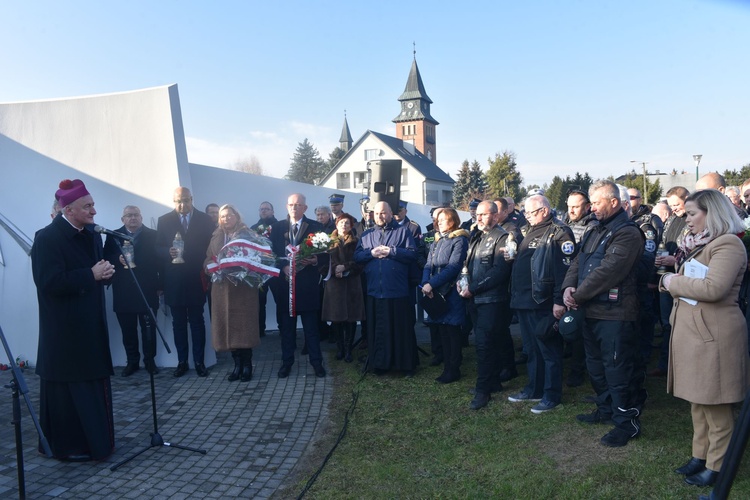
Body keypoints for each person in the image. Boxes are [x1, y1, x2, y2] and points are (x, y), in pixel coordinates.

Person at [659, 189, 749, 487]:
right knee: (698, 400)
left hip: (716, 335)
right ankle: (701, 456)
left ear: (713, 212)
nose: (687, 221)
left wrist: (672, 281)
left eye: (692, 214)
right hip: (698, 334)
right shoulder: (704, 243)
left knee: (716, 403)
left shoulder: (728, 245)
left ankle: (719, 465)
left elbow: (714, 289)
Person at [31, 178, 116, 461]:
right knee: (70, 392)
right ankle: (71, 448)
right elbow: (48, 282)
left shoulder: (91, 234)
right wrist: (90, 275)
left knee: (92, 383)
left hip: (91, 325)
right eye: (87, 206)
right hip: (65, 332)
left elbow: (94, 272)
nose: (94, 211)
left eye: (92, 205)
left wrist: (104, 273)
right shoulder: (47, 238)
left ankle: (97, 443)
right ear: (68, 210)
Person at [563, 180, 644, 447]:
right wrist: (568, 287)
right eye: (592, 202)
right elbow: (578, 261)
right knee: (596, 367)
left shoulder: (627, 232)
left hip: (616, 313)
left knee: (617, 369)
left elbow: (610, 270)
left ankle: (626, 423)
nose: (593, 207)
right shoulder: (594, 228)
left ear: (613, 202)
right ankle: (606, 408)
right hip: (591, 311)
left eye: (597, 202)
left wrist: (578, 295)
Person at [508, 195, 576, 414]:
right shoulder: (530, 230)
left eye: (530, 212)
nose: (526, 216)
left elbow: (563, 270)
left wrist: (559, 301)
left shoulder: (559, 232)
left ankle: (551, 394)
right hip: (525, 301)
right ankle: (533, 389)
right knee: (531, 349)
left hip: (543, 301)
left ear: (544, 211)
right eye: (525, 213)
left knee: (549, 350)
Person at [459, 201, 514, 410]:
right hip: (475, 299)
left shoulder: (502, 237)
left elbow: (499, 272)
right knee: (487, 344)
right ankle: (493, 382)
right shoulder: (477, 235)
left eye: (483, 214)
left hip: (493, 300)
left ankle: (483, 391)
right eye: (477, 215)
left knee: (484, 344)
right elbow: (467, 265)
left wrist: (473, 287)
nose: (478, 218)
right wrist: (461, 282)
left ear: (495, 215)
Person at [156, 187, 215, 377]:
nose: (182, 205)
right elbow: (157, 248)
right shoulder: (164, 220)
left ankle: (199, 361)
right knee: (178, 324)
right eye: (178, 201)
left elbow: (212, 247)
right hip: (174, 280)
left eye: (186, 200)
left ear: (192, 199)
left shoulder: (205, 220)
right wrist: (167, 252)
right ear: (174, 201)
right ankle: (182, 362)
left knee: (198, 322)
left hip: (197, 279)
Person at [355, 201, 418, 376]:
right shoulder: (367, 235)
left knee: (401, 330)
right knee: (379, 330)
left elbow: (412, 254)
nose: (380, 216)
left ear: (391, 213)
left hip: (397, 290)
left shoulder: (403, 232)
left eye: (383, 213)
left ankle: (404, 366)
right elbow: (357, 256)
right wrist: (371, 253)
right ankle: (380, 364)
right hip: (375, 290)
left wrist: (392, 251)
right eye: (377, 213)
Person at [268, 193, 327, 378]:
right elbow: (270, 254)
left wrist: (316, 259)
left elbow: (326, 253)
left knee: (311, 329)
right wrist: (283, 267)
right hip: (285, 287)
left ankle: (317, 363)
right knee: (287, 329)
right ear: (287, 207)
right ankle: (287, 363)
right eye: (292, 205)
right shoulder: (277, 228)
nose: (294, 208)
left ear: (305, 208)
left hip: (308, 286)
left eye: (298, 205)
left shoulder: (316, 227)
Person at [204, 205, 261, 382]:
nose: (226, 219)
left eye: (229, 215)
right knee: (228, 328)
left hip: (243, 290)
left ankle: (247, 366)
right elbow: (207, 257)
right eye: (223, 216)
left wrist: (242, 266)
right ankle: (236, 365)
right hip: (222, 289)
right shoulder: (215, 235)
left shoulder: (248, 234)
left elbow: (257, 257)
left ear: (236, 216)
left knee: (243, 328)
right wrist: (209, 267)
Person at [103, 205, 160, 376]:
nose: (133, 218)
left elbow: (159, 263)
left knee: (148, 329)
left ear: (141, 217)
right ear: (123, 219)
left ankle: (150, 361)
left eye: (136, 215)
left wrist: (160, 286)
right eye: (129, 215)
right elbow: (105, 257)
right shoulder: (113, 236)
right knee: (128, 330)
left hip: (147, 289)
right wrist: (117, 259)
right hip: (123, 290)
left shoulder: (153, 235)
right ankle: (132, 362)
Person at [421, 208, 469, 384]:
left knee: (452, 331)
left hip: (451, 292)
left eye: (443, 219)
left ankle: (453, 369)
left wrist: (431, 284)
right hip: (435, 291)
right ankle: (447, 366)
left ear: (453, 221)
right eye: (437, 219)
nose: (439, 222)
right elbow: (428, 265)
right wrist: (425, 284)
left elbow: (454, 267)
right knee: (441, 330)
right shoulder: (436, 241)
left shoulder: (460, 240)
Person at [651, 186, 690, 377]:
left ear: (687, 199)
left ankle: (680, 366)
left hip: (683, 281)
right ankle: (665, 364)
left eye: (677, 204)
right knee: (667, 324)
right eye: (671, 205)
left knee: (680, 325)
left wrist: (675, 261)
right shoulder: (672, 220)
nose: (674, 208)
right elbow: (664, 242)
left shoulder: (693, 221)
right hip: (665, 280)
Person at [321, 212, 365, 362]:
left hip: (352, 284)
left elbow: (360, 262)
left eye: (347, 223)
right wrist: (335, 269)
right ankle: (339, 348)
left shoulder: (357, 241)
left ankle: (348, 350)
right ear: (336, 224)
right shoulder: (326, 241)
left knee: (351, 319)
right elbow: (322, 263)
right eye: (341, 223)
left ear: (351, 226)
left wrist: (344, 268)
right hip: (334, 285)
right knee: (336, 318)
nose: (344, 225)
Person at [251, 201, 278, 337]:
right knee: (259, 301)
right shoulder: (253, 228)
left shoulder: (280, 226)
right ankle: (259, 330)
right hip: (259, 271)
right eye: (262, 209)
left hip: (276, 269)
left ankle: (284, 329)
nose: (264, 211)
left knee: (281, 300)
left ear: (272, 211)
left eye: (267, 209)